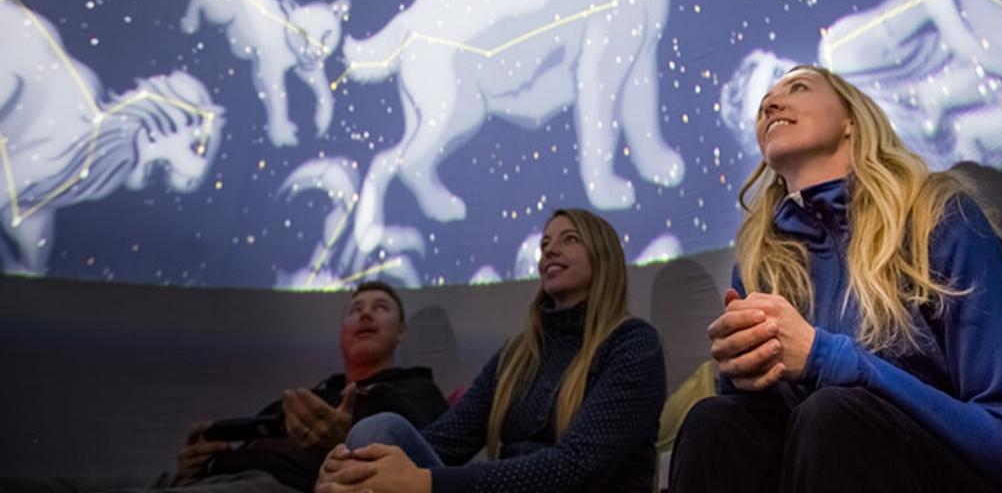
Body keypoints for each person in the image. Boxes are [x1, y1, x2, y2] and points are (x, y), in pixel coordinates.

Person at [668, 65, 1002, 492]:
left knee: (833, 416)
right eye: (764, 105)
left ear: (852, 119)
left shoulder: (940, 218)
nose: (770, 104)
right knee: (712, 424)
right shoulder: (761, 264)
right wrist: (743, 375)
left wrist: (827, 359)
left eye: (797, 87)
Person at [314, 209, 667, 493]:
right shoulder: (518, 355)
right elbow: (446, 441)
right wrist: (349, 461)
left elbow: (578, 467)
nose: (550, 250)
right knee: (378, 433)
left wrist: (427, 483)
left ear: (603, 257)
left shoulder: (632, 344)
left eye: (569, 239)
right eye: (545, 244)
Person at [2, 281, 448, 493]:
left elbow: (425, 462)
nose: (365, 314)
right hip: (212, 477)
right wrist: (204, 457)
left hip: (279, 486)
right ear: (340, 332)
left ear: (402, 332)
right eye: (355, 308)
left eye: (380, 308)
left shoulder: (416, 391)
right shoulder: (313, 391)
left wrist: (341, 443)